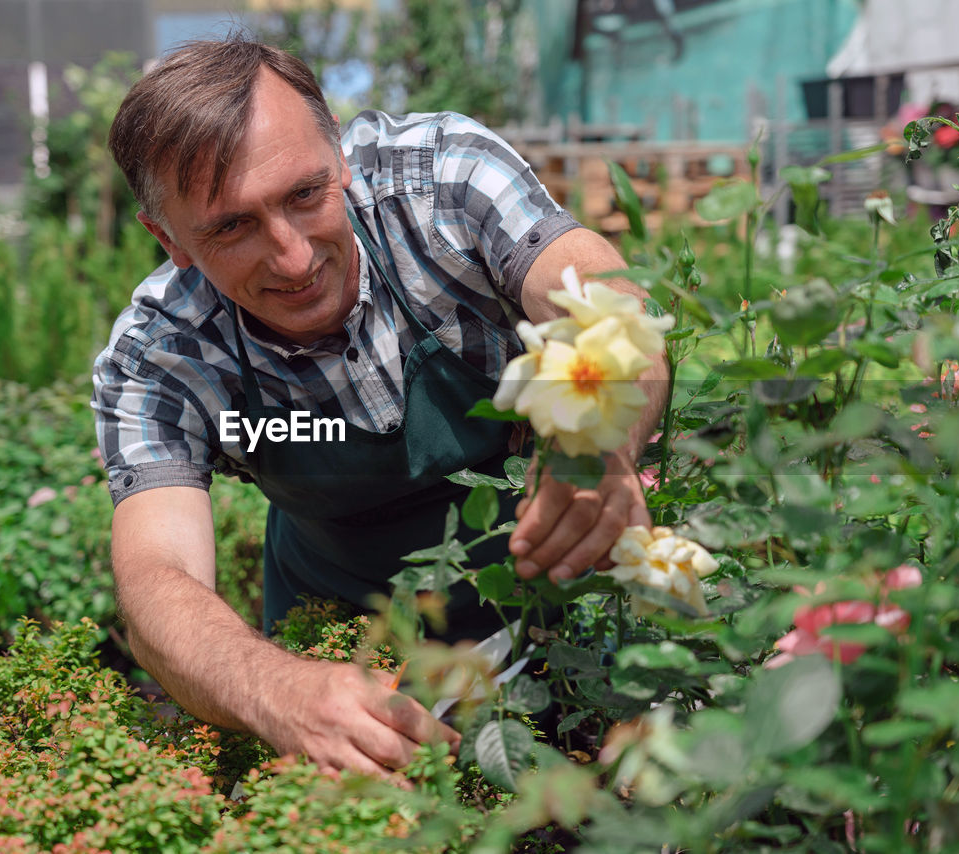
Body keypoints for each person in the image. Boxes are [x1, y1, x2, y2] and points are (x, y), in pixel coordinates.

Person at [92, 37, 667, 778]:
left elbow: (607, 295)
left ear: (339, 153)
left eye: (306, 194)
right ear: (167, 238)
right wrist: (280, 691)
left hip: (563, 591)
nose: (294, 258)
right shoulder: (160, 358)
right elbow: (154, 581)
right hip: (349, 647)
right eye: (232, 226)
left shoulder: (440, 181)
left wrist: (601, 440)